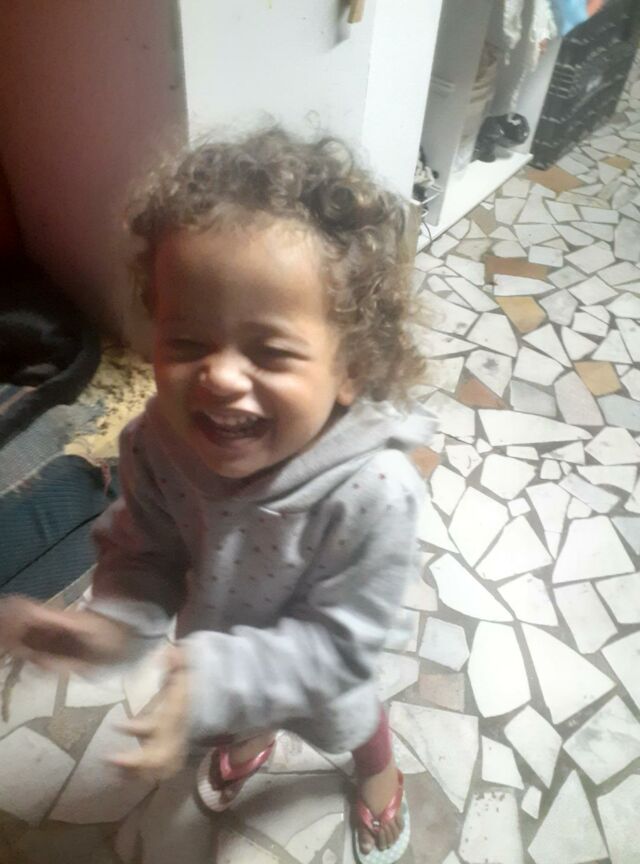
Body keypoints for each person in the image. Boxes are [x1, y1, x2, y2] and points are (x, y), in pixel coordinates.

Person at [0, 128, 434, 863]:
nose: (221, 377)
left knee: (351, 719)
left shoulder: (375, 491)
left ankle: (378, 773)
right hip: (215, 649)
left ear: (351, 369)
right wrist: (113, 626)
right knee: (233, 714)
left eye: (270, 351)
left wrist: (214, 677)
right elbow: (147, 551)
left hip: (319, 667)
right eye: (188, 342)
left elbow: (343, 644)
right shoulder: (154, 442)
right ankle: (251, 734)